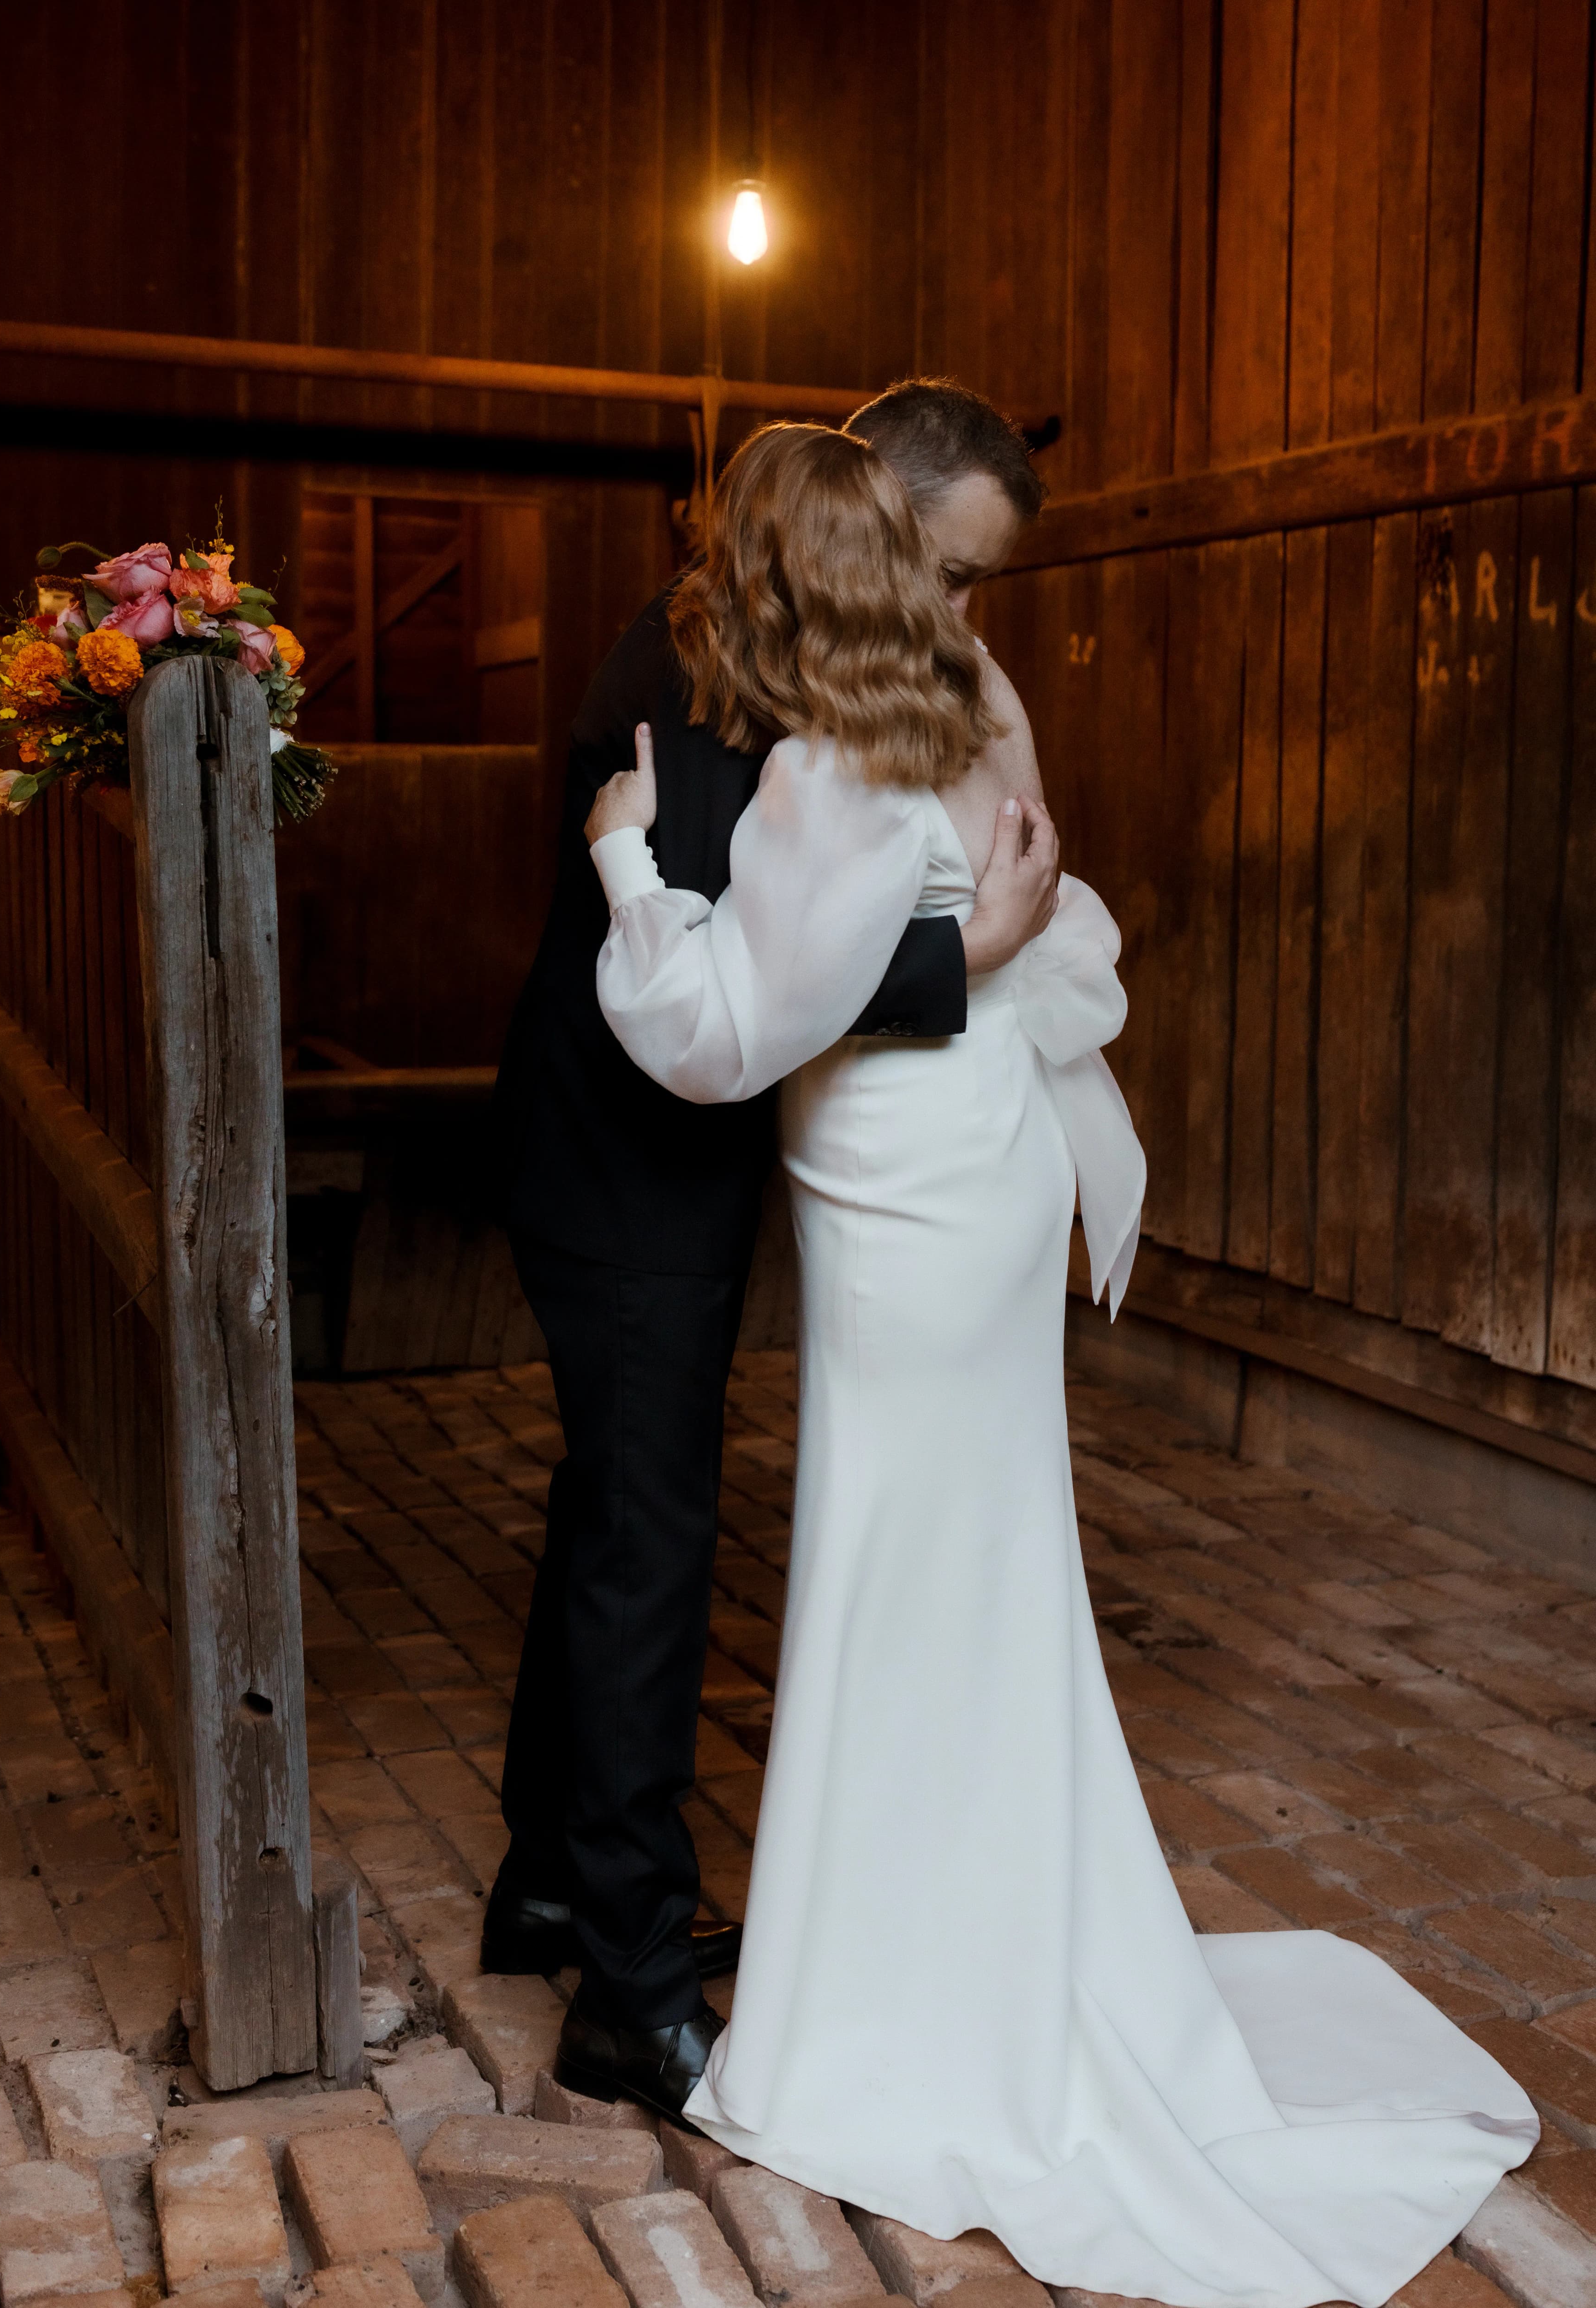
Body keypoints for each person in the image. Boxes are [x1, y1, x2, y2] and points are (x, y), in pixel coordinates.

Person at [579, 419, 1537, 2308]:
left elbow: (712, 1034)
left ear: (774, 582)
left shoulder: (818, 773)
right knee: (977, 1564)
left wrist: (629, 862)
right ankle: (985, 1943)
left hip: (901, 1201)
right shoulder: (967, 701)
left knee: (898, 1569)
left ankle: (911, 1999)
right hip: (990, 1174)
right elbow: (1024, 933)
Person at [491, 382, 1053, 2115]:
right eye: (936, 569)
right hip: (627, 1160)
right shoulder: (684, 679)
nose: (943, 610)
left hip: (652, 1158)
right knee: (653, 1544)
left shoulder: (748, 646)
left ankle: (553, 1882)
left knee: (614, 1513)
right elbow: (741, 996)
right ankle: (628, 1988)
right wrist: (967, 959)